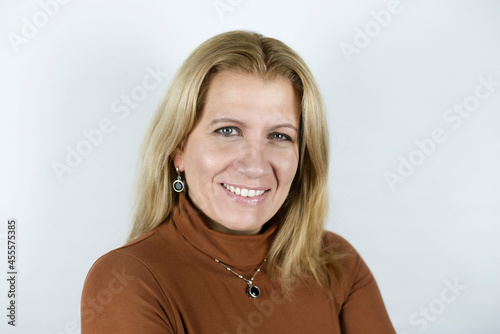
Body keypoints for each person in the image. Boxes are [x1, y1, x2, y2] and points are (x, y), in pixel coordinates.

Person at [81, 30, 396, 333]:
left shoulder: (336, 262)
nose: (255, 166)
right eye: (228, 131)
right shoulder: (127, 278)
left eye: (279, 135)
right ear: (178, 150)